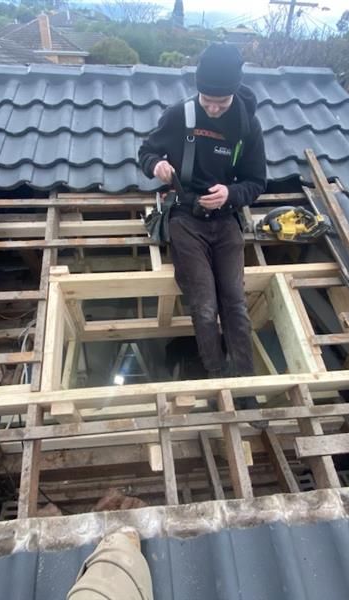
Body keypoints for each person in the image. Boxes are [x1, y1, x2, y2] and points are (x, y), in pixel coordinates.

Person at [138, 43, 267, 416]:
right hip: (186, 219)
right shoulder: (180, 115)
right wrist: (156, 167)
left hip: (225, 221)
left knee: (236, 305)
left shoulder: (246, 124)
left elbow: (257, 182)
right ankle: (215, 377)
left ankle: (245, 387)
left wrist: (230, 194)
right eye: (207, 100)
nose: (212, 108)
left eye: (220, 103)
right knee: (205, 306)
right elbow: (146, 151)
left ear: (233, 94)